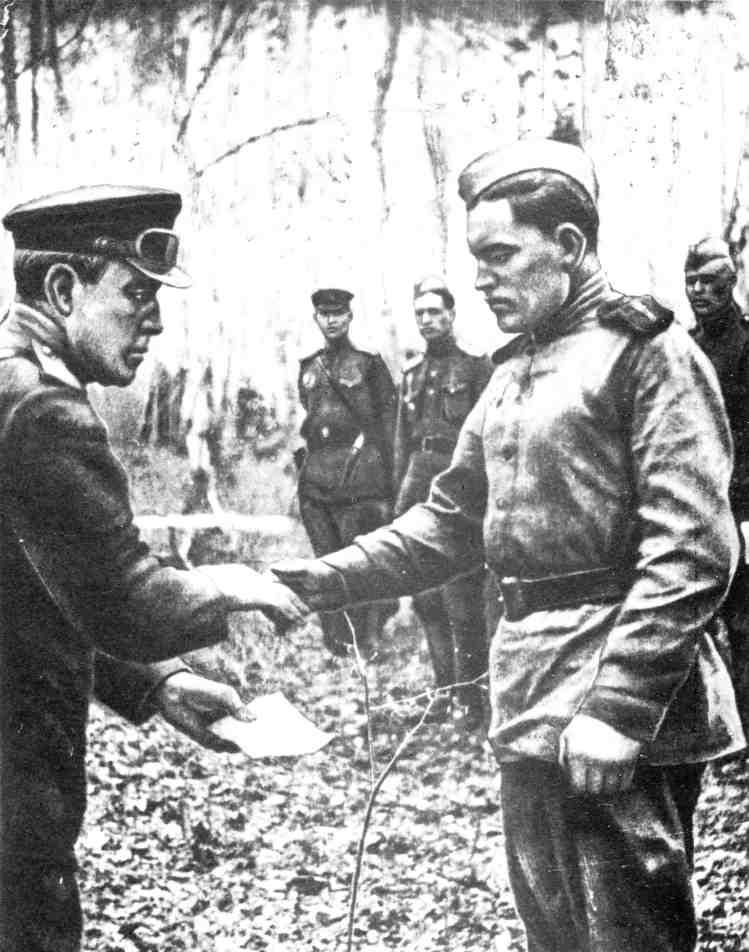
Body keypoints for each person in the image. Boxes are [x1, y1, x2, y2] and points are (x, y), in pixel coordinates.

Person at [274, 139, 746, 952]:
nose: (481, 280)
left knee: (626, 937)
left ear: (566, 244)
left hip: (619, 710)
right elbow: (448, 522)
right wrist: (321, 580)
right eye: (475, 260)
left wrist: (619, 706)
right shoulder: (511, 372)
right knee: (553, 936)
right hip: (530, 692)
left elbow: (693, 548)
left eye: (499, 256)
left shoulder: (647, 352)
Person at [0, 185, 306, 952]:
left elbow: (39, 592)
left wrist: (159, 683)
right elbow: (126, 602)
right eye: (136, 294)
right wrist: (232, 584)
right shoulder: (42, 412)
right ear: (63, 289)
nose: (157, 321)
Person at [393, 275, 492, 727]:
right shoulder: (412, 374)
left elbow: (489, 435)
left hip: (460, 487)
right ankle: (443, 691)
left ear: (452, 314)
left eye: (435, 311)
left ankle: (471, 697)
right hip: (418, 487)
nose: (428, 320)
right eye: (420, 313)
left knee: (462, 599)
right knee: (426, 599)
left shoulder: (475, 367)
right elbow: (402, 442)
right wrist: (398, 500)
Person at [295, 287, 396, 658]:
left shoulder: (368, 364)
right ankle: (336, 639)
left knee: (358, 559)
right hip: (317, 477)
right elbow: (309, 418)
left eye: (338, 313)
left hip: (358, 476)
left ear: (350, 317)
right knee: (325, 557)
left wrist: (389, 481)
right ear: (316, 319)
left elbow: (388, 424)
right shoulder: (309, 367)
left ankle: (367, 636)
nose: (332, 320)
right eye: (325, 314)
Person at [685, 236, 749, 729]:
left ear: (731, 283)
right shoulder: (684, 348)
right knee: (697, 624)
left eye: (709, 281)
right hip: (697, 508)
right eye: (692, 282)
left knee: (745, 624)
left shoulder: (747, 344)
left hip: (743, 509)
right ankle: (716, 730)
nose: (699, 291)